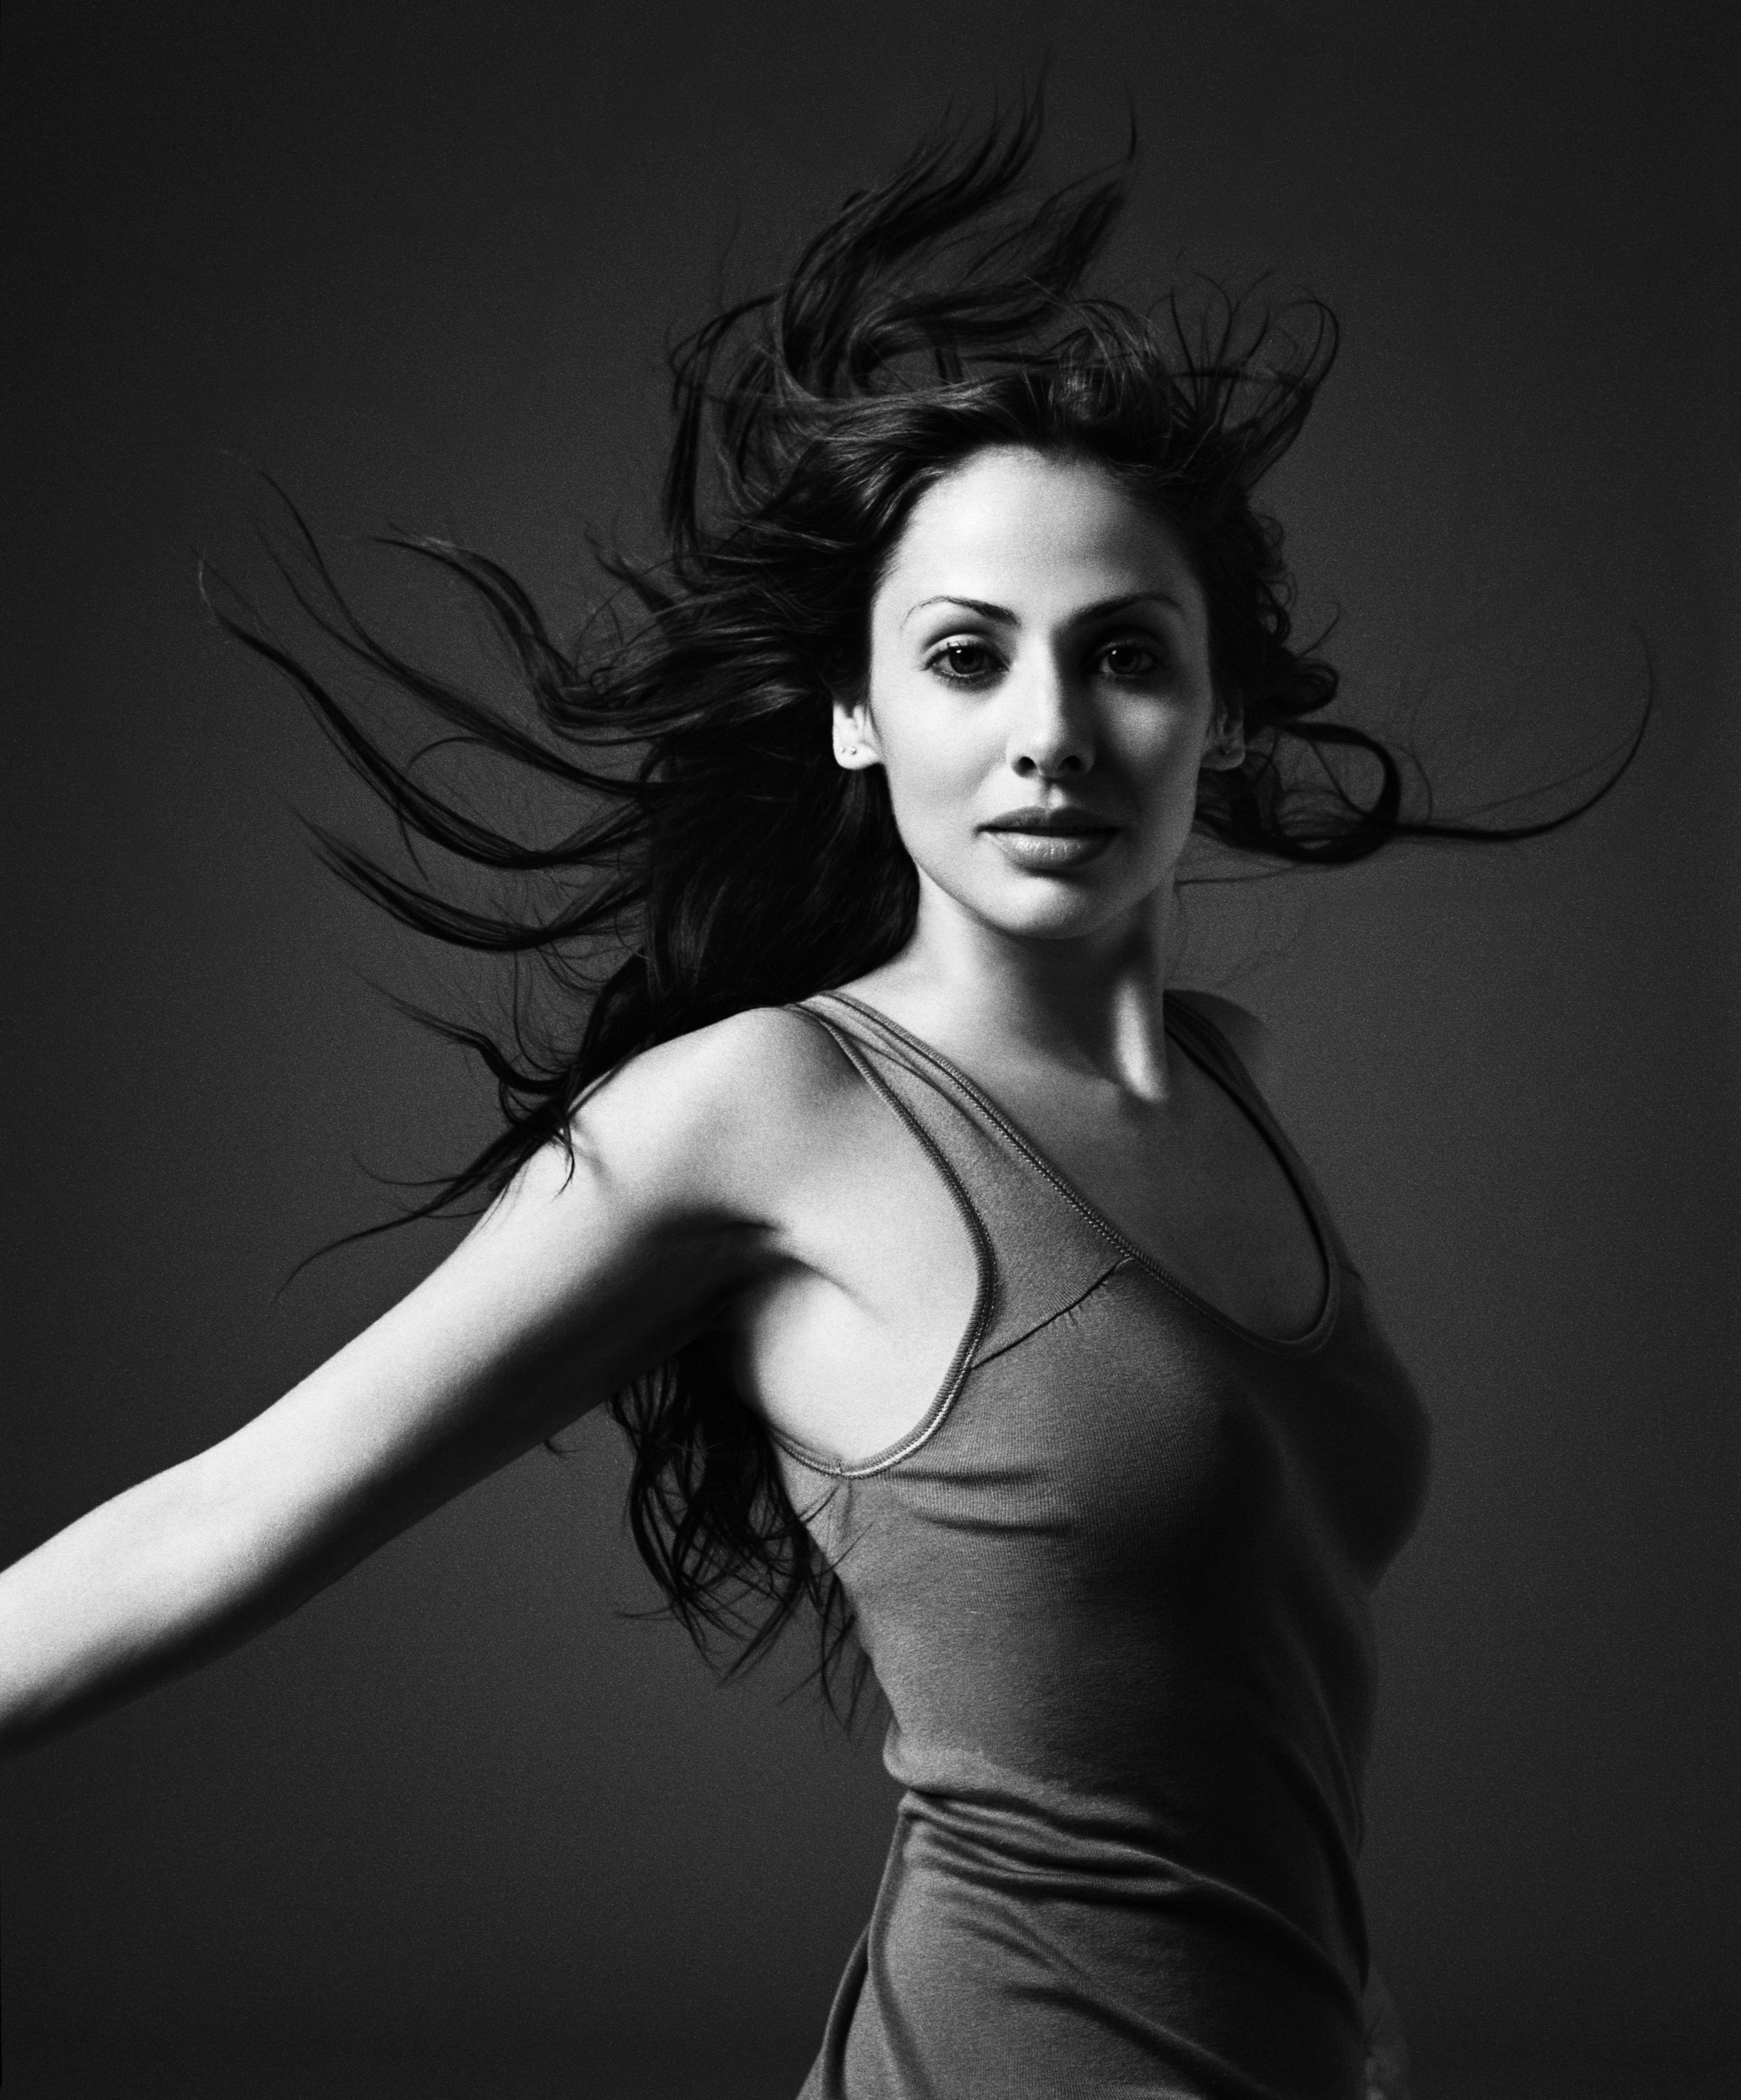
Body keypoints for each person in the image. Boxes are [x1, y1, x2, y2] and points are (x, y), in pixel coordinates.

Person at [0, 109, 1634, 2099]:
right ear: (858, 711)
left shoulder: (1235, 1078)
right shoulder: (770, 1104)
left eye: (1124, 655)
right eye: (963, 657)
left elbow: (1240, 1716)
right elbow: (227, 1512)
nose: (1048, 732)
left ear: (1217, 711)